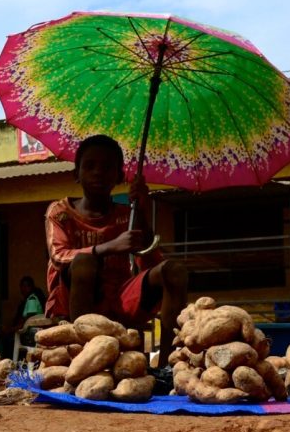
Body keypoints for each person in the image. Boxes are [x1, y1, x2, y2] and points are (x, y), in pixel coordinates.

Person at [44, 134, 188, 366]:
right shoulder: (60, 212)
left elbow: (150, 265)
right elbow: (59, 256)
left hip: (120, 297)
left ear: (120, 176)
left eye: (107, 167)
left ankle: (160, 363)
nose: (98, 172)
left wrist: (141, 213)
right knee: (83, 262)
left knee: (173, 271)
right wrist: (110, 246)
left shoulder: (127, 215)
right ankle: (86, 359)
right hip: (75, 298)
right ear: (76, 174)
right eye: (89, 166)